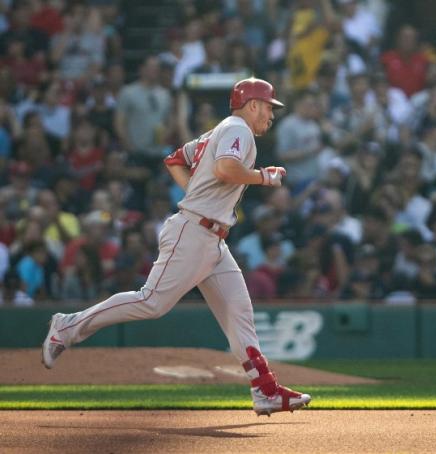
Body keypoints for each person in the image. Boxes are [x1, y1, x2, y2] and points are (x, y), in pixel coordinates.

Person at [41, 77, 311, 416]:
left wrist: (197, 192)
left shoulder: (218, 131)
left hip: (212, 238)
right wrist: (263, 177)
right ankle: (67, 326)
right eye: (269, 107)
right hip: (194, 233)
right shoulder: (237, 129)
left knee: (240, 315)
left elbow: (173, 160)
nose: (271, 115)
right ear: (253, 104)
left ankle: (265, 390)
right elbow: (226, 168)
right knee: (151, 302)